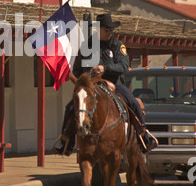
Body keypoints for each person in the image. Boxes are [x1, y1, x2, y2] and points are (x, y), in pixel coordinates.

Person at [54, 13, 158, 155]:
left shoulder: (118, 46)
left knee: (133, 103)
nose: (110, 33)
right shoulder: (86, 46)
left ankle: (143, 136)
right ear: (98, 29)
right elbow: (77, 69)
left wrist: (105, 68)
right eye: (107, 30)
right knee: (71, 106)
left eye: (111, 30)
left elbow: (123, 66)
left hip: (113, 83)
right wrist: (83, 79)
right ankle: (66, 141)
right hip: (91, 85)